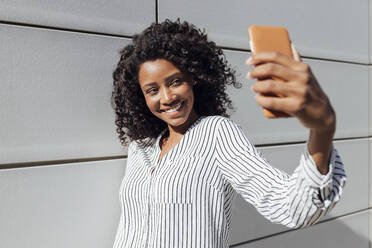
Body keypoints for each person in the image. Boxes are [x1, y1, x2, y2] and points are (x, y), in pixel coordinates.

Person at [111, 19, 346, 248]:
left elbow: (290, 207)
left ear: (193, 77)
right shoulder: (139, 149)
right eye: (152, 90)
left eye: (175, 82)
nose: (167, 97)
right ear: (140, 96)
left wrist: (323, 129)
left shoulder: (216, 133)